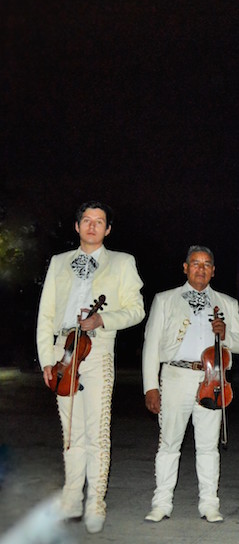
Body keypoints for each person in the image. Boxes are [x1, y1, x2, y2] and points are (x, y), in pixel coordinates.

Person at [36, 201, 145, 533]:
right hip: (63, 350)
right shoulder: (59, 263)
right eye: (87, 220)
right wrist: (46, 361)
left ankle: (96, 501)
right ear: (77, 226)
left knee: (97, 431)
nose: (92, 226)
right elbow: (45, 315)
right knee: (71, 431)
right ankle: (71, 499)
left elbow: (136, 310)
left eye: (99, 221)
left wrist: (103, 318)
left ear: (108, 229)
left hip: (97, 350)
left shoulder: (123, 262)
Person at [141, 245, 239, 523]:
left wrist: (226, 336)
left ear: (213, 270)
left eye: (206, 264)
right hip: (176, 376)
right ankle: (161, 503)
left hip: (212, 379)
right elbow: (151, 345)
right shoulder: (165, 299)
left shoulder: (228, 303)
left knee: (208, 446)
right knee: (169, 443)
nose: (201, 269)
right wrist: (151, 386)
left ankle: (210, 504)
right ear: (185, 267)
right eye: (195, 263)